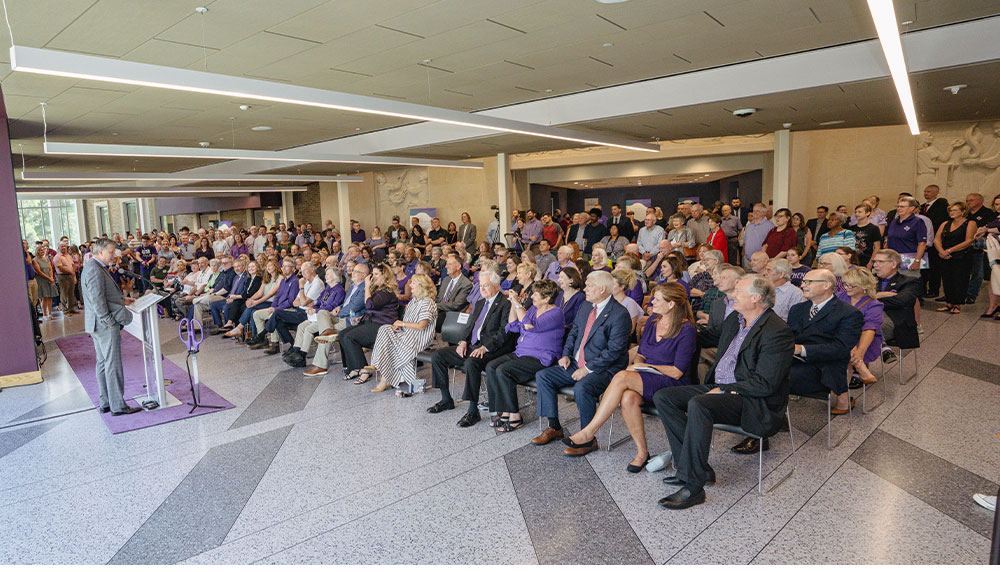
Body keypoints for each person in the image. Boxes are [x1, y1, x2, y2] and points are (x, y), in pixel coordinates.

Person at [654, 275, 794, 509]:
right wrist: (680, 325)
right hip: (722, 388)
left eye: (738, 292)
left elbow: (765, 384)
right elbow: (707, 337)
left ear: (756, 298)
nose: (732, 295)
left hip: (752, 400)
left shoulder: (777, 331)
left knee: (700, 404)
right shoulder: (736, 320)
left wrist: (725, 389)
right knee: (665, 397)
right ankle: (693, 467)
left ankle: (693, 486)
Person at [563, 283, 698, 468]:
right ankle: (642, 453)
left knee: (622, 376)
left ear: (671, 304)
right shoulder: (652, 322)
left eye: (657, 299)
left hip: (673, 383)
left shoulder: (686, 329)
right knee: (627, 398)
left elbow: (677, 372)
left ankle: (589, 432)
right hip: (648, 378)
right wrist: (638, 365)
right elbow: (641, 353)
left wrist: (643, 367)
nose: (651, 302)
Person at [531, 271, 632, 451]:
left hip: (603, 369)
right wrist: (566, 355)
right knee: (543, 376)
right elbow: (574, 332)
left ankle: (587, 437)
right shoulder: (586, 306)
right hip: (576, 363)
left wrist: (587, 369)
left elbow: (615, 351)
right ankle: (554, 427)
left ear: (602, 289)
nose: (585, 288)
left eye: (589, 285)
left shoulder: (619, 314)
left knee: (582, 387)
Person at [427, 269, 515, 424]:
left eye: (486, 285)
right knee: (438, 356)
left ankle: (473, 411)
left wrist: (485, 348)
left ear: (496, 285)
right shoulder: (480, 302)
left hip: (492, 348)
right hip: (472, 345)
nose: (482, 289)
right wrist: (463, 342)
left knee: (471, 363)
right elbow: (470, 327)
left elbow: (504, 333)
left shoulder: (505, 303)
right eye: (480, 285)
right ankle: (446, 399)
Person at [483, 279, 563, 432]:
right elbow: (513, 324)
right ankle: (503, 410)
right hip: (521, 352)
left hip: (541, 357)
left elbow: (529, 326)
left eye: (535, 295)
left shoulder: (556, 313)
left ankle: (514, 415)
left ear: (546, 298)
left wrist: (518, 304)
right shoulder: (532, 309)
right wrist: (514, 304)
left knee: (504, 370)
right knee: (491, 366)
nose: (532, 297)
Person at [784, 269, 863, 422]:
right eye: (803, 282)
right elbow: (789, 336)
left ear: (826, 285)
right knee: (761, 371)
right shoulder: (797, 309)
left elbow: (840, 348)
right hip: (793, 361)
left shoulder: (848, 313)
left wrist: (802, 349)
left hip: (823, 367)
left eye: (808, 282)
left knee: (773, 379)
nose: (802, 285)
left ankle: (767, 422)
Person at [82, 238, 141, 416]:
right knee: (112, 364)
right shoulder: (94, 269)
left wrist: (123, 300)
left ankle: (106, 402)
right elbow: (97, 300)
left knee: (102, 363)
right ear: (100, 252)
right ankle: (118, 405)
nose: (114, 255)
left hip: (97, 324)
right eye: (111, 252)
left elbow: (104, 295)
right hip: (104, 325)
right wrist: (108, 321)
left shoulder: (96, 267)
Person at [366, 275, 438, 393]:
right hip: (407, 334)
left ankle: (383, 377)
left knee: (392, 346)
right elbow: (408, 324)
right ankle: (378, 367)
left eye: (413, 283)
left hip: (419, 337)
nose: (410, 285)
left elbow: (421, 326)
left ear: (422, 285)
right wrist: (399, 326)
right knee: (385, 329)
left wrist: (402, 324)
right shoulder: (413, 301)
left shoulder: (427, 302)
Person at [338, 263, 400, 382]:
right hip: (372, 322)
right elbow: (371, 310)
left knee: (350, 337)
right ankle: (354, 368)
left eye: (376, 274)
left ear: (385, 276)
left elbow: (370, 305)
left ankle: (364, 370)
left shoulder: (387, 292)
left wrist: (367, 286)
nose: (373, 276)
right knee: (342, 334)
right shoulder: (378, 290)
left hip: (382, 326)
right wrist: (361, 318)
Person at [282, 267, 346, 369]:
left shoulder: (339, 290)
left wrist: (315, 310)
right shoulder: (327, 288)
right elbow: (319, 302)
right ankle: (297, 351)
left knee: (308, 328)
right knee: (302, 326)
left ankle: (301, 356)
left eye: (328, 274)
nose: (325, 276)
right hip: (319, 315)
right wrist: (312, 308)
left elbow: (331, 306)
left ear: (335, 277)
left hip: (329, 317)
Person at [871, 249, 921, 352]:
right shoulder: (870, 279)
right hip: (870, 318)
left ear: (893, 264)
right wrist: (878, 295)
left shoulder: (909, 281)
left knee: (859, 330)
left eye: (879, 262)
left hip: (896, 323)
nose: (875, 265)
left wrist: (870, 298)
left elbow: (902, 301)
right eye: (874, 262)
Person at [842, 267, 884, 386]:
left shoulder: (874, 305)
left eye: (851, 285)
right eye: (845, 284)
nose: (846, 288)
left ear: (864, 286)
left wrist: (859, 353)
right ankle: (860, 367)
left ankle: (842, 400)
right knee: (841, 331)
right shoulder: (840, 296)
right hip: (841, 336)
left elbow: (869, 329)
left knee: (844, 341)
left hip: (864, 341)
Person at [933, 201, 977, 313]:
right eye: (951, 210)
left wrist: (950, 250)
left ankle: (957, 304)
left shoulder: (970, 223)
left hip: (961, 256)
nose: (952, 212)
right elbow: (937, 239)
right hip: (945, 256)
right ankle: (949, 302)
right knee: (947, 279)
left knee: (959, 279)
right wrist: (942, 251)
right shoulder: (945, 224)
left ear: (963, 212)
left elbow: (969, 241)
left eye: (955, 210)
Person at [435, 253, 473, 328]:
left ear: (458, 267)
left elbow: (456, 305)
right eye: (446, 264)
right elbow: (439, 298)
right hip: (439, 312)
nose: (446, 266)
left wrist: (434, 306)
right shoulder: (446, 280)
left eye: (450, 264)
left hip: (451, 315)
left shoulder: (466, 284)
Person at [848, 203, 882, 267]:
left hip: (866, 260)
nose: (857, 214)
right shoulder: (851, 229)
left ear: (867, 213)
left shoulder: (873, 228)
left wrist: (871, 262)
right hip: (852, 261)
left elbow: (877, 247)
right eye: (856, 212)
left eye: (859, 212)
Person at [741, 203, 775, 269]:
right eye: (754, 211)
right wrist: (743, 252)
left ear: (764, 213)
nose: (755, 213)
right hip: (747, 260)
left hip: (760, 261)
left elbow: (771, 244)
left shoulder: (770, 226)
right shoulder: (749, 225)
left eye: (758, 211)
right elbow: (745, 240)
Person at [52, 243, 79, 315]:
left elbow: (73, 264)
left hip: (70, 276)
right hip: (62, 276)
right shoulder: (57, 257)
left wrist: (73, 272)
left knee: (71, 293)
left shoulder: (68, 256)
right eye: (62, 247)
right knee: (64, 293)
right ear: (58, 248)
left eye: (65, 246)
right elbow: (60, 267)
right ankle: (65, 310)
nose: (63, 248)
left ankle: (71, 308)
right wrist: (70, 272)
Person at [34, 245, 58, 319]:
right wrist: (48, 278)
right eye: (41, 250)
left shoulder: (46, 259)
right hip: (42, 280)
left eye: (43, 250)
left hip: (49, 279)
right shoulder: (35, 260)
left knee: (50, 297)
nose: (42, 251)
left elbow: (50, 268)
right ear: (37, 251)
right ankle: (44, 314)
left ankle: (50, 313)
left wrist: (51, 277)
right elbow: (39, 271)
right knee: (44, 297)